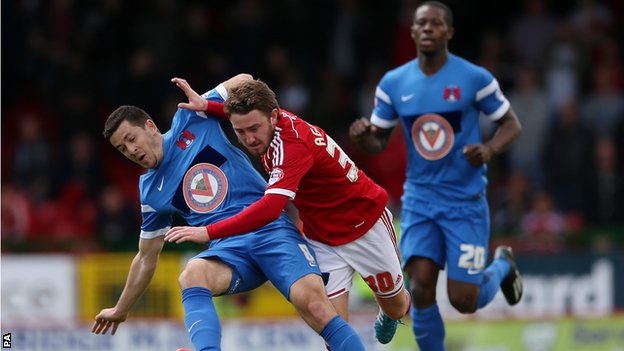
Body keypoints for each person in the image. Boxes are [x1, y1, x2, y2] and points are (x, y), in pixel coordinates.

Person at [90, 74, 367, 351]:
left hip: (270, 229)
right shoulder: (150, 191)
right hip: (229, 251)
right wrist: (120, 309)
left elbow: (246, 79)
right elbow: (145, 258)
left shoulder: (192, 120)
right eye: (121, 148)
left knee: (316, 307)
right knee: (192, 273)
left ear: (149, 126)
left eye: (131, 138)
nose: (131, 150)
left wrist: (205, 102)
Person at [164, 78, 411, 345]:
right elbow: (248, 100)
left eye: (254, 129)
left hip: (364, 224)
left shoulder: (292, 146)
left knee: (397, 306)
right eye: (241, 131)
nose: (249, 139)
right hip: (322, 236)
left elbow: (270, 209)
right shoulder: (270, 123)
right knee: (330, 328)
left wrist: (208, 232)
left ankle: (387, 312)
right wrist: (208, 106)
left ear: (273, 116)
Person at [348, 2, 524, 350]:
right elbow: (378, 142)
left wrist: (488, 150)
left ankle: (502, 265)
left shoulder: (475, 78)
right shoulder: (394, 83)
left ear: (449, 32)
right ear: (412, 32)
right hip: (421, 199)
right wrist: (363, 136)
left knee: (463, 300)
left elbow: (511, 124)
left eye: (435, 23)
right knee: (422, 284)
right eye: (421, 23)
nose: (428, 28)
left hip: (465, 202)